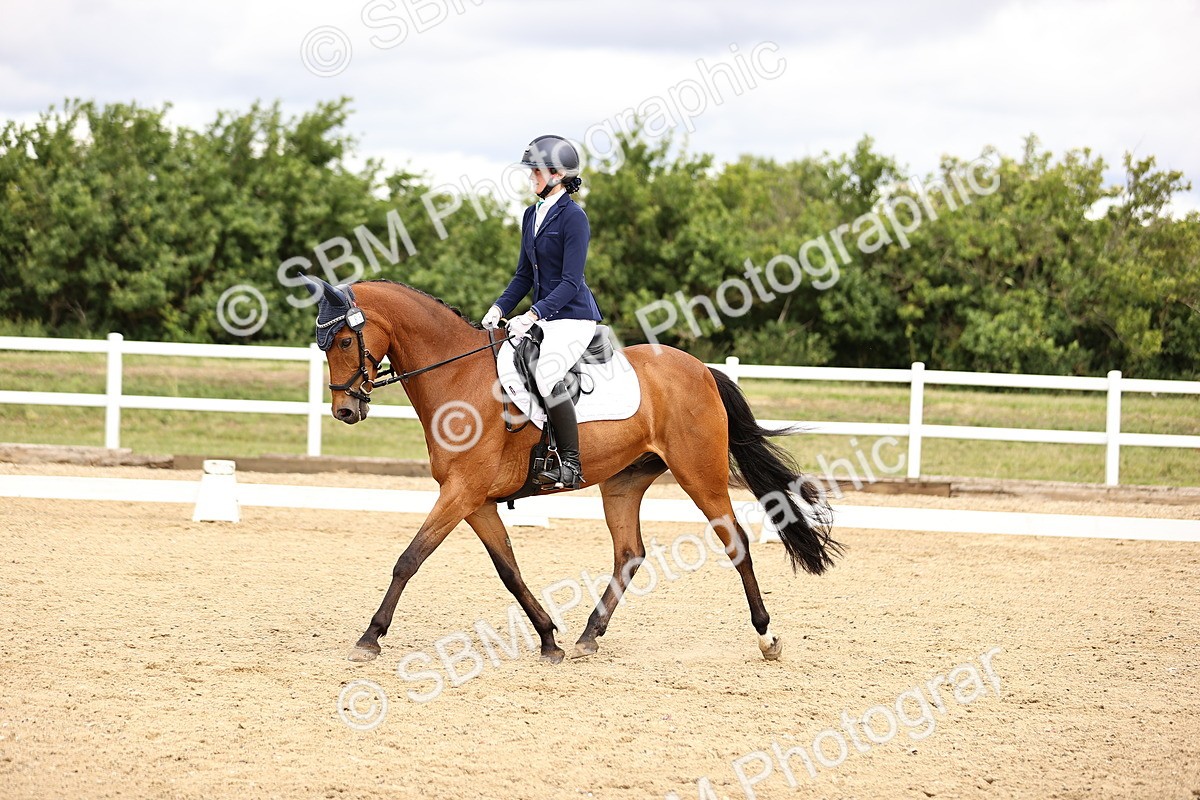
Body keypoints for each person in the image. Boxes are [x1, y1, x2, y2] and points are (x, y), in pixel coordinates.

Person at [482, 135, 602, 489]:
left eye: (536, 171)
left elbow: (570, 281)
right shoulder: (531, 215)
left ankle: (571, 463)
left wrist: (532, 314)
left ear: (558, 174)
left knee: (547, 375)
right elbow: (524, 275)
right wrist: (499, 307)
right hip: (545, 316)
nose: (531, 176)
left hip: (574, 316)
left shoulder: (574, 217)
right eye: (531, 170)